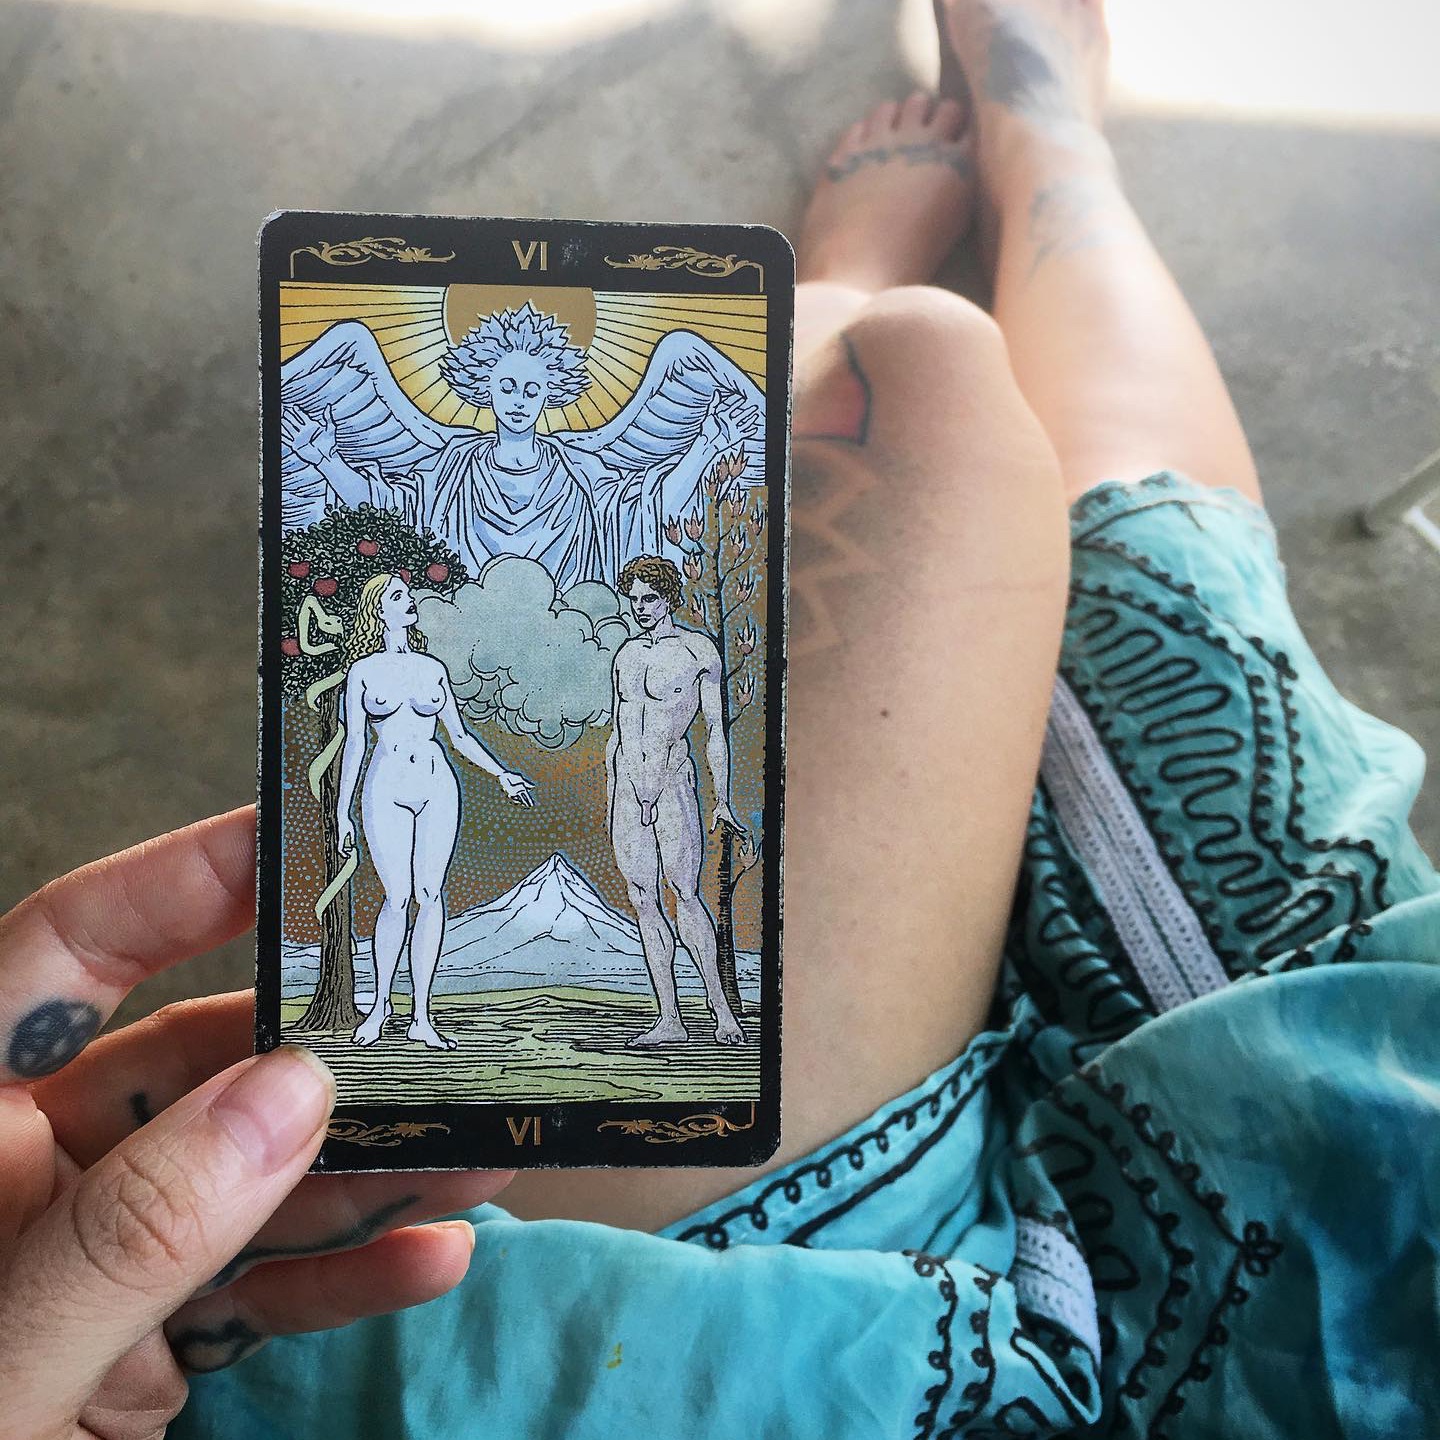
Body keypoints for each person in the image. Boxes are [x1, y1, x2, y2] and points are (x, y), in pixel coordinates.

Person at [2, 0, 1438, 1434]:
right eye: (497, 380)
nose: (516, 398)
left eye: (538, 380)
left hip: (744, 1358)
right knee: (1118, 553)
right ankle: (1052, 160)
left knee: (900, 390)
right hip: (1350, 1152)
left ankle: (868, 275)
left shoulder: (602, 588)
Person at [279, 302, 762, 589]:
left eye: (532, 390)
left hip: (571, 640)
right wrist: (324, 460)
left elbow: (649, 512)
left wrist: (707, 445)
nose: (518, 401)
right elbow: (386, 510)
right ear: (483, 387)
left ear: (551, 395)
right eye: (507, 387)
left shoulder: (577, 470)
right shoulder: (453, 467)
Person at [336, 572, 536, 1051]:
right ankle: (380, 1007)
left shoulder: (432, 668)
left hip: (436, 783)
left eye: (408, 595)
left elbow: (459, 735)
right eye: (398, 596)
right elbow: (354, 744)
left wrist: (502, 774)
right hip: (385, 786)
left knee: (430, 894)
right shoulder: (362, 672)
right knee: (397, 896)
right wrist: (343, 813)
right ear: (378, 609)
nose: (410, 601)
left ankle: (421, 1015)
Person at [608, 554, 746, 1048]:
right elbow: (619, 730)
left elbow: (715, 732)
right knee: (643, 899)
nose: (640, 608)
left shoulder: (697, 650)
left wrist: (722, 799)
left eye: (649, 599)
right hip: (628, 790)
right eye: (634, 600)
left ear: (668, 598)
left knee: (685, 893)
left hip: (671, 783)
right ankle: (669, 1016)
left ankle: (721, 1010)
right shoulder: (625, 655)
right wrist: (614, 789)